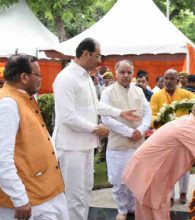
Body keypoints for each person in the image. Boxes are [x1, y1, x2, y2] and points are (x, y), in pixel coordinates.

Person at [53, 38, 139, 220]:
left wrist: (120, 112)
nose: (100, 60)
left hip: (85, 146)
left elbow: (94, 106)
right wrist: (95, 128)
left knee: (85, 192)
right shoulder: (66, 78)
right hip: (71, 147)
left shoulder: (85, 76)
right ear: (86, 53)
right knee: (74, 196)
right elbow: (66, 116)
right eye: (98, 55)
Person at [0, 54, 68, 219]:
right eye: (38, 75)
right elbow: (2, 158)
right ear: (24, 77)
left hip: (44, 192)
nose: (41, 79)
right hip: (29, 199)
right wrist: (20, 199)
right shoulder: (7, 103)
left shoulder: (22, 98)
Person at [100, 60, 152, 220]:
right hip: (118, 144)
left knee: (137, 179)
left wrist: (141, 130)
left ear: (133, 73)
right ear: (116, 73)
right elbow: (106, 118)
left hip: (138, 143)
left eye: (129, 72)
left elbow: (148, 112)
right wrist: (129, 132)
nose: (126, 75)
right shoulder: (107, 92)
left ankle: (134, 207)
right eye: (122, 72)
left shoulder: (139, 90)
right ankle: (122, 209)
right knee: (119, 180)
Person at [150, 68, 195, 205]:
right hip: (164, 136)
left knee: (184, 166)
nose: (168, 81)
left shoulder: (186, 94)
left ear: (178, 81)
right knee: (167, 167)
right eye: (166, 78)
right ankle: (169, 195)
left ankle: (183, 193)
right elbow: (152, 114)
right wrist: (160, 121)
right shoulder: (156, 96)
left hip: (183, 136)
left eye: (171, 78)